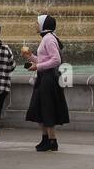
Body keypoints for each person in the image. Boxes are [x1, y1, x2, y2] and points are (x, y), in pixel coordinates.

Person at [25, 14, 68, 151]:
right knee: (39, 108)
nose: (35, 25)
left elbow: (56, 60)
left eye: (37, 23)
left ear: (44, 25)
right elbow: (46, 59)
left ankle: (51, 140)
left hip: (48, 79)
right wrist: (31, 57)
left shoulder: (48, 39)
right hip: (44, 77)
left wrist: (37, 66)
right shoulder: (47, 38)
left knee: (46, 108)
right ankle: (46, 139)